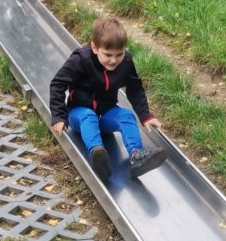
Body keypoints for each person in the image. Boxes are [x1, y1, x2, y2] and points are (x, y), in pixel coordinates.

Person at [49, 17, 167, 182]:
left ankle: (137, 156)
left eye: (119, 54)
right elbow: (58, 83)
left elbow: (135, 89)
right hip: (79, 114)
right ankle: (98, 155)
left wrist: (145, 115)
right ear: (94, 48)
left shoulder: (126, 62)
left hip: (106, 113)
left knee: (126, 116)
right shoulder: (81, 60)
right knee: (88, 116)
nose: (114, 60)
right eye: (108, 54)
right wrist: (58, 115)